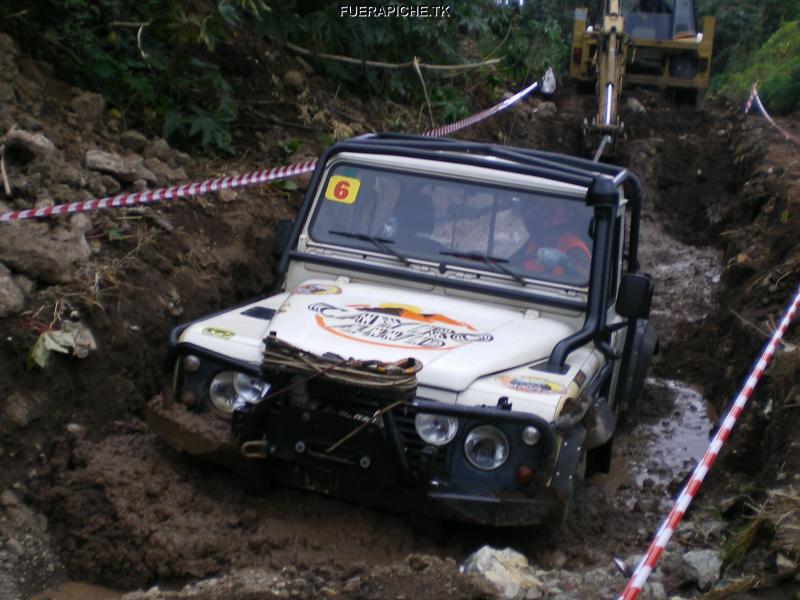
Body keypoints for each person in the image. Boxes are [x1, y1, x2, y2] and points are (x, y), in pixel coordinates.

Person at [511, 200, 592, 282]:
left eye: (536, 227)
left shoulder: (575, 249)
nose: (533, 233)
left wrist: (565, 262)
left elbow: (586, 278)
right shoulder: (536, 240)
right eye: (531, 228)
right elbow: (512, 264)